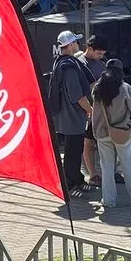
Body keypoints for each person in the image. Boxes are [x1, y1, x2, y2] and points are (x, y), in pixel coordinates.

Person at [91, 59, 131, 210]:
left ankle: (108, 200)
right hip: (121, 133)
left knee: (106, 167)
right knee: (128, 166)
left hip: (102, 133)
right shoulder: (125, 88)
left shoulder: (97, 88)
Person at [48, 30, 94, 197]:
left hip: (65, 116)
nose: (78, 44)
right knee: (73, 151)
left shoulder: (61, 62)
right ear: (71, 45)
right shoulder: (70, 67)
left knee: (72, 150)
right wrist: (90, 110)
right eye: (75, 42)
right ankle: (72, 183)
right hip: (72, 117)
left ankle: (76, 180)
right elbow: (78, 96)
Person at [79, 34, 117, 188]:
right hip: (89, 108)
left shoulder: (101, 63)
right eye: (99, 53)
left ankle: (109, 171)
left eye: (103, 54)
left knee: (105, 141)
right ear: (90, 48)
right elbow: (83, 88)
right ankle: (93, 173)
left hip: (101, 109)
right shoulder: (81, 63)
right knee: (88, 142)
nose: (101, 56)